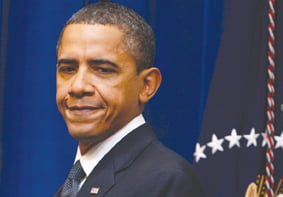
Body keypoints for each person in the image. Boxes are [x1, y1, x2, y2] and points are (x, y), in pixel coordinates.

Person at [53, 1, 205, 196]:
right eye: (68, 69)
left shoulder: (167, 181)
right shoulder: (75, 182)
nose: (78, 87)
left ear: (146, 85)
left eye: (102, 70)